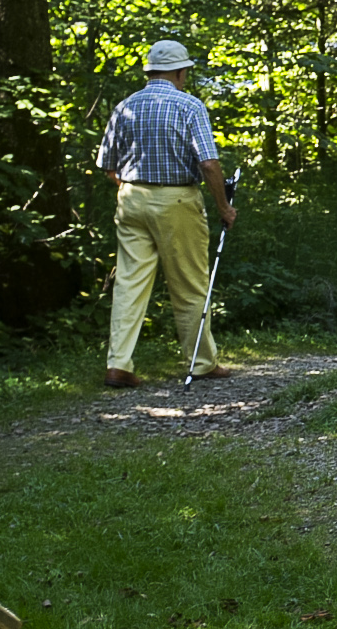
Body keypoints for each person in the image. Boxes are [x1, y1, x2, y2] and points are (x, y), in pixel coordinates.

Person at [94, 41, 235, 387]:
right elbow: (208, 163)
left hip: (130, 197)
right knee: (189, 282)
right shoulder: (189, 106)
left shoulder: (125, 106)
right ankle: (201, 363)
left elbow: (107, 166)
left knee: (129, 283)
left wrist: (132, 188)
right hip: (176, 200)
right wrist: (223, 206)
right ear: (179, 72)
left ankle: (118, 365)